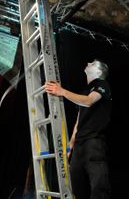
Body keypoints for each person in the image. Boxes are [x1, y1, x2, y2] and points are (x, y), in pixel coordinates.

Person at [45, 59, 112, 199]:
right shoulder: (85, 91)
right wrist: (70, 145)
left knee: (99, 185)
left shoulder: (102, 84)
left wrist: (61, 91)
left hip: (93, 142)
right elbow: (78, 121)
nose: (87, 63)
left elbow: (89, 101)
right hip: (79, 145)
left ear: (99, 72)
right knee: (75, 185)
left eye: (92, 63)